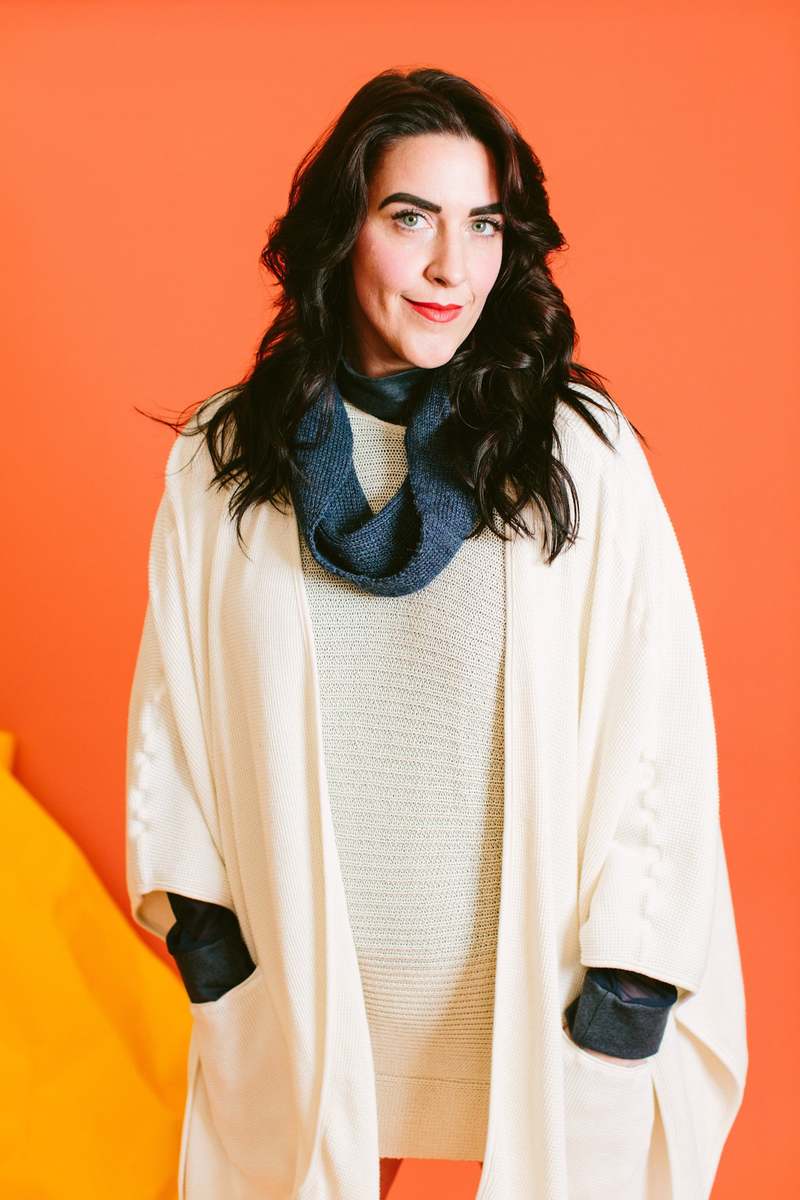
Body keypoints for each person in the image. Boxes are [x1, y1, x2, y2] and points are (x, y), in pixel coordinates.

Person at [126, 67, 747, 1200]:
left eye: (483, 225)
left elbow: (657, 720)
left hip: (534, 1009)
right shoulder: (227, 459)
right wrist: (210, 951)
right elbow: (175, 716)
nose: (451, 267)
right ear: (342, 232)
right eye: (410, 217)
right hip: (309, 1008)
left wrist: (631, 983)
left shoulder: (574, 453)